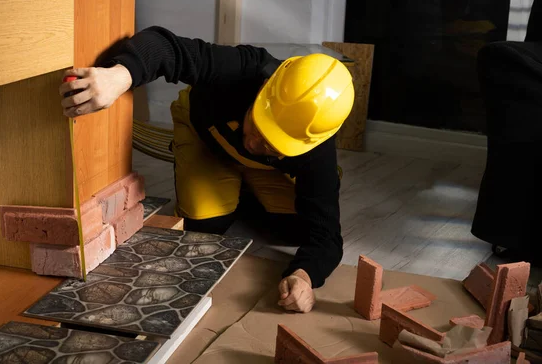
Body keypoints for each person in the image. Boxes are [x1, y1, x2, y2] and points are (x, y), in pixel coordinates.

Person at [59, 26, 355, 313]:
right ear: (266, 89)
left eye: (270, 143)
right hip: (204, 133)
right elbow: (164, 46)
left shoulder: (316, 150)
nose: (253, 142)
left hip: (260, 171)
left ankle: (239, 190)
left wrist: (304, 277)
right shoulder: (243, 68)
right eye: (259, 123)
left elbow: (326, 236)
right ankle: (227, 192)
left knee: (296, 228)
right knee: (205, 229)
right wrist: (119, 76)